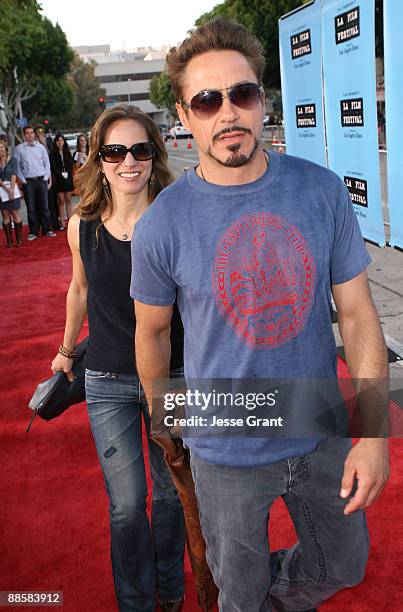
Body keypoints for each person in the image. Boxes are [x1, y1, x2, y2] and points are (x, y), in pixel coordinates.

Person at [130, 18, 390, 612]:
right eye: (207, 100)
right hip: (225, 446)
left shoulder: (322, 192)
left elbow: (356, 314)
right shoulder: (163, 223)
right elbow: (152, 332)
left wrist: (373, 433)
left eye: (241, 94)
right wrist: (167, 417)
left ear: (261, 99)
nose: (228, 113)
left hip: (318, 430)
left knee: (343, 567)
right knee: (237, 595)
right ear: (185, 114)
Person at [50, 105, 185, 612]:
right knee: (127, 506)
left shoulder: (175, 217)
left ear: (154, 153)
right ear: (98, 159)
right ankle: (136, 601)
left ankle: (171, 587)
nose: (128, 161)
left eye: (139, 149)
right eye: (114, 151)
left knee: (172, 495)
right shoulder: (80, 225)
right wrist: (66, 351)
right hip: (105, 379)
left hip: (171, 377)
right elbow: (79, 289)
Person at [15, 125, 56, 240]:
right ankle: (33, 231)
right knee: (31, 208)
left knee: (45, 207)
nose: (30, 135)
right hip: (28, 182)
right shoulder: (19, 149)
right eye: (27, 133)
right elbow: (17, 167)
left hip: (41, 180)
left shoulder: (41, 148)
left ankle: (47, 229)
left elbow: (47, 164)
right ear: (24, 135)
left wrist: (46, 177)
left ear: (34, 134)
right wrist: (23, 181)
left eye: (32, 132)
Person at [34, 124, 60, 232]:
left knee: (52, 201)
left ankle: (54, 223)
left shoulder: (49, 142)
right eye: (38, 132)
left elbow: (51, 159)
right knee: (39, 203)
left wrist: (51, 177)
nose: (40, 133)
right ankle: (41, 225)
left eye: (42, 131)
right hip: (39, 176)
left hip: (50, 176)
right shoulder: (34, 145)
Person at [0, 141, 23, 247]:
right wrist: (6, 189)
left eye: (2, 148)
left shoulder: (13, 160)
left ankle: (19, 239)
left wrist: (11, 190)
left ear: (5, 148)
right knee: (5, 215)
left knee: (15, 214)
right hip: (2, 190)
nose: (0, 150)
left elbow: (14, 174)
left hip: (13, 188)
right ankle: (9, 240)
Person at [50, 133, 75, 229]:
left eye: (61, 140)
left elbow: (70, 165)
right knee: (61, 200)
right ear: (55, 142)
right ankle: (62, 221)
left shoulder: (67, 152)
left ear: (64, 142)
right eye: (58, 141)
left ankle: (70, 220)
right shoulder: (52, 154)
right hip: (59, 180)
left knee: (68, 200)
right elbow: (53, 167)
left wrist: (68, 174)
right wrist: (60, 175)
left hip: (68, 179)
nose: (60, 142)